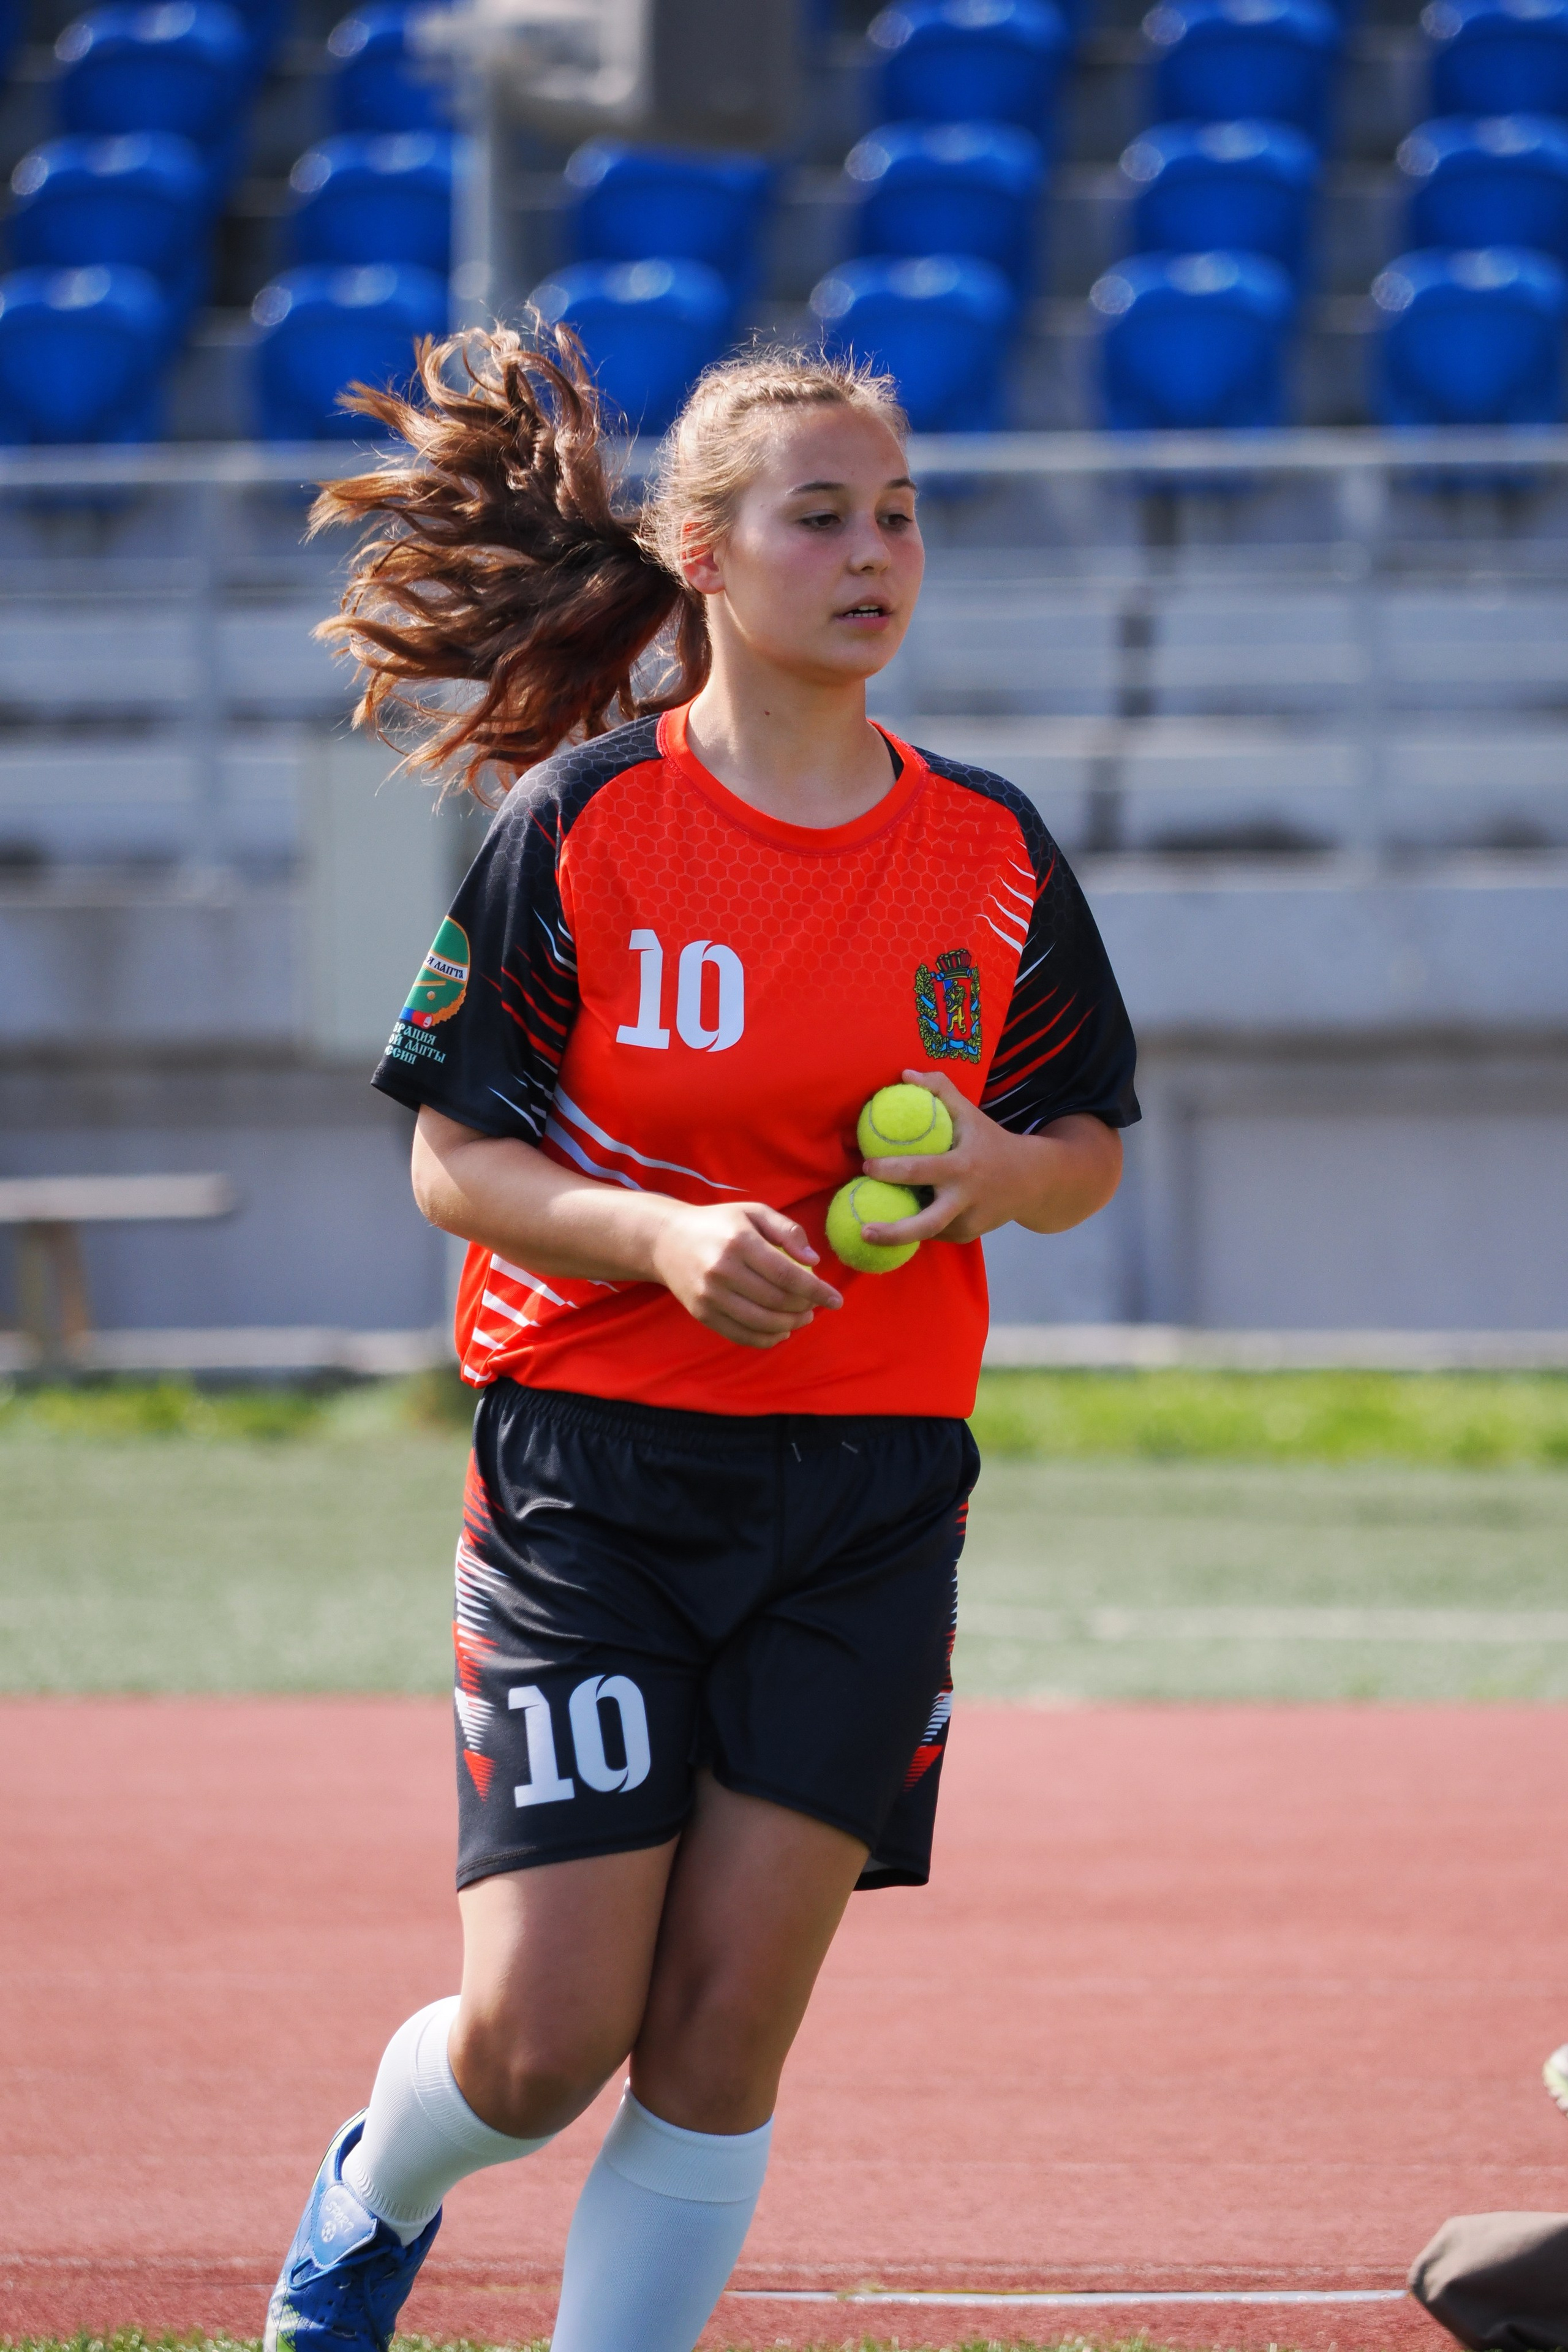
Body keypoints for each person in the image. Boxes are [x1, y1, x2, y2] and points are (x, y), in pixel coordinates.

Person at [264, 328, 1139, 2352]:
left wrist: (1005, 1171)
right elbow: (458, 1166)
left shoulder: (993, 848)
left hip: (871, 1493)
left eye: (900, 511)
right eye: (818, 514)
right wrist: (656, 1235)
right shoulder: (585, 824)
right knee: (549, 2039)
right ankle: (371, 2192)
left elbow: (1088, 1145)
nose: (873, 550)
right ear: (703, 555)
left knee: (723, 2036)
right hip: (595, 1478)